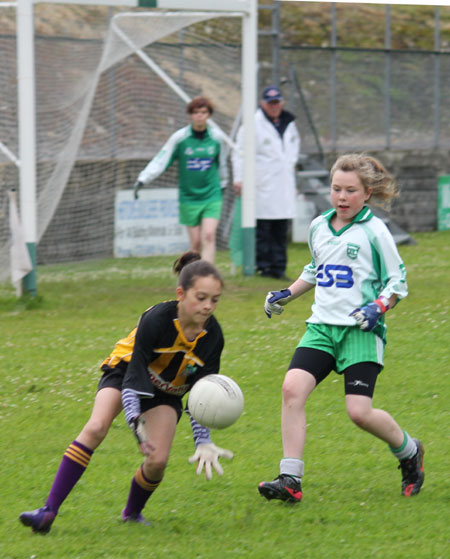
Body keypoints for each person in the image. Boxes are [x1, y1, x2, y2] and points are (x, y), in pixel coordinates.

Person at [19, 251, 233, 533]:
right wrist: (134, 420)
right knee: (96, 427)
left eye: (214, 300)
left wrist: (202, 441)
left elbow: (202, 393)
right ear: (181, 293)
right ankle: (47, 511)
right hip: (127, 372)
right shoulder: (155, 319)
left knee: (157, 461)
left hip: (166, 391)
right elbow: (134, 374)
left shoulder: (213, 337)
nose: (207, 306)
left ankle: (132, 514)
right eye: (201, 298)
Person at [258, 153, 424, 504]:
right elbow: (316, 268)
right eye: (336, 189)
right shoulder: (319, 225)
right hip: (321, 328)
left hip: (360, 332)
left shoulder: (376, 231)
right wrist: (286, 294)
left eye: (350, 190)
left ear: (367, 194)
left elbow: (398, 281)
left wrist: (378, 307)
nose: (342, 197)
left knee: (359, 413)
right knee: (292, 389)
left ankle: (409, 452)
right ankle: (290, 477)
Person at [133, 96, 228, 264]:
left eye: (204, 112)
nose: (200, 116)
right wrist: (143, 178)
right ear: (191, 115)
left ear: (209, 115)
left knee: (209, 235)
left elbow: (222, 164)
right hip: (189, 197)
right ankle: (190, 277)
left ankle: (207, 276)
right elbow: (161, 159)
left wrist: (223, 183)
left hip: (212, 194)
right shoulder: (180, 138)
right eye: (196, 112)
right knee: (196, 242)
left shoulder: (217, 138)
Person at [232, 85, 300, 280]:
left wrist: (289, 165)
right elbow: (239, 154)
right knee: (263, 229)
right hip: (262, 183)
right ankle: (264, 267)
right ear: (263, 104)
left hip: (283, 183)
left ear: (282, 102)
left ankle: (279, 267)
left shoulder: (289, 123)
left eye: (277, 102)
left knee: (280, 229)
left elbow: (293, 148)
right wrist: (239, 178)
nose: (274, 106)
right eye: (270, 103)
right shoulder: (252, 124)